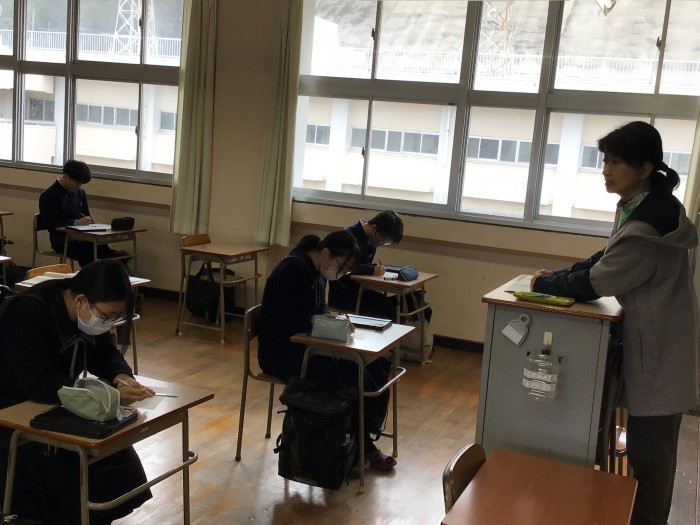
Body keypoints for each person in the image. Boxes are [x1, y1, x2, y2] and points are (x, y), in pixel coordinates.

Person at [530, 121, 699, 525]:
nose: (605, 170)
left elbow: (599, 280)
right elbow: (605, 256)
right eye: (605, 160)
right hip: (658, 346)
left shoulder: (648, 228)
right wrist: (561, 273)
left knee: (651, 460)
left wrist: (546, 283)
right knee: (647, 454)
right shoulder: (643, 206)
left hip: (661, 356)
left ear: (644, 168)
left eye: (616, 162)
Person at [0, 259, 155, 524]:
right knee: (64, 474)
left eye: (114, 317)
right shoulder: (28, 314)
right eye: (107, 316)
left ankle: (98, 516)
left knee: (113, 450)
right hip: (15, 407)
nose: (107, 323)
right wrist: (107, 394)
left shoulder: (87, 313)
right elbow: (39, 383)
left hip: (57, 399)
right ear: (81, 300)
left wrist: (121, 376)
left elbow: (105, 353)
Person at [258, 230, 398, 470]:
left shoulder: (316, 271)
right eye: (342, 267)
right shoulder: (293, 270)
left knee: (374, 366)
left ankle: (359, 441)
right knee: (349, 377)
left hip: (307, 348)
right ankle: (354, 447)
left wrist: (337, 322)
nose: (340, 274)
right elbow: (291, 324)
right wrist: (328, 328)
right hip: (281, 354)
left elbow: (319, 309)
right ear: (326, 254)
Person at [39, 159, 129, 268]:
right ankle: (99, 273)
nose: (79, 186)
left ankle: (116, 263)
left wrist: (89, 222)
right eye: (77, 183)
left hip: (83, 237)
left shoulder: (80, 193)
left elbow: (86, 215)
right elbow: (51, 223)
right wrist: (75, 223)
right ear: (66, 176)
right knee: (89, 252)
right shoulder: (49, 195)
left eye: (81, 184)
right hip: (63, 240)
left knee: (101, 247)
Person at [328, 210, 404, 320]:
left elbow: (362, 266)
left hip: (361, 291)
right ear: (374, 228)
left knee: (394, 309)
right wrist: (371, 270)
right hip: (343, 294)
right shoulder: (347, 236)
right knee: (384, 314)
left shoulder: (371, 240)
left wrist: (374, 269)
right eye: (383, 240)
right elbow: (344, 267)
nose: (382, 243)